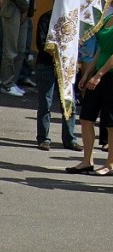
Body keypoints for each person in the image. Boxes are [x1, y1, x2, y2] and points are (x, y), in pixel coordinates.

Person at [65, 14, 113, 175]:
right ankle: (87, 161)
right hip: (98, 74)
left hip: (110, 76)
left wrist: (99, 75)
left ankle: (110, 164)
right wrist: (87, 74)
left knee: (111, 123)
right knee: (86, 118)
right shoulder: (108, 18)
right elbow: (100, 50)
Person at [35, 8, 78, 151]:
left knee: (69, 102)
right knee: (45, 103)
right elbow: (41, 43)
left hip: (66, 66)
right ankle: (43, 138)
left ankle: (70, 139)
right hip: (46, 64)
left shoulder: (72, 19)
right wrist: (58, 52)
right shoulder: (46, 18)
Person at [0, 0, 30, 96]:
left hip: (24, 10)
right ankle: (6, 83)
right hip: (12, 10)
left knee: (21, 50)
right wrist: (25, 8)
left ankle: (13, 82)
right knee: (10, 50)